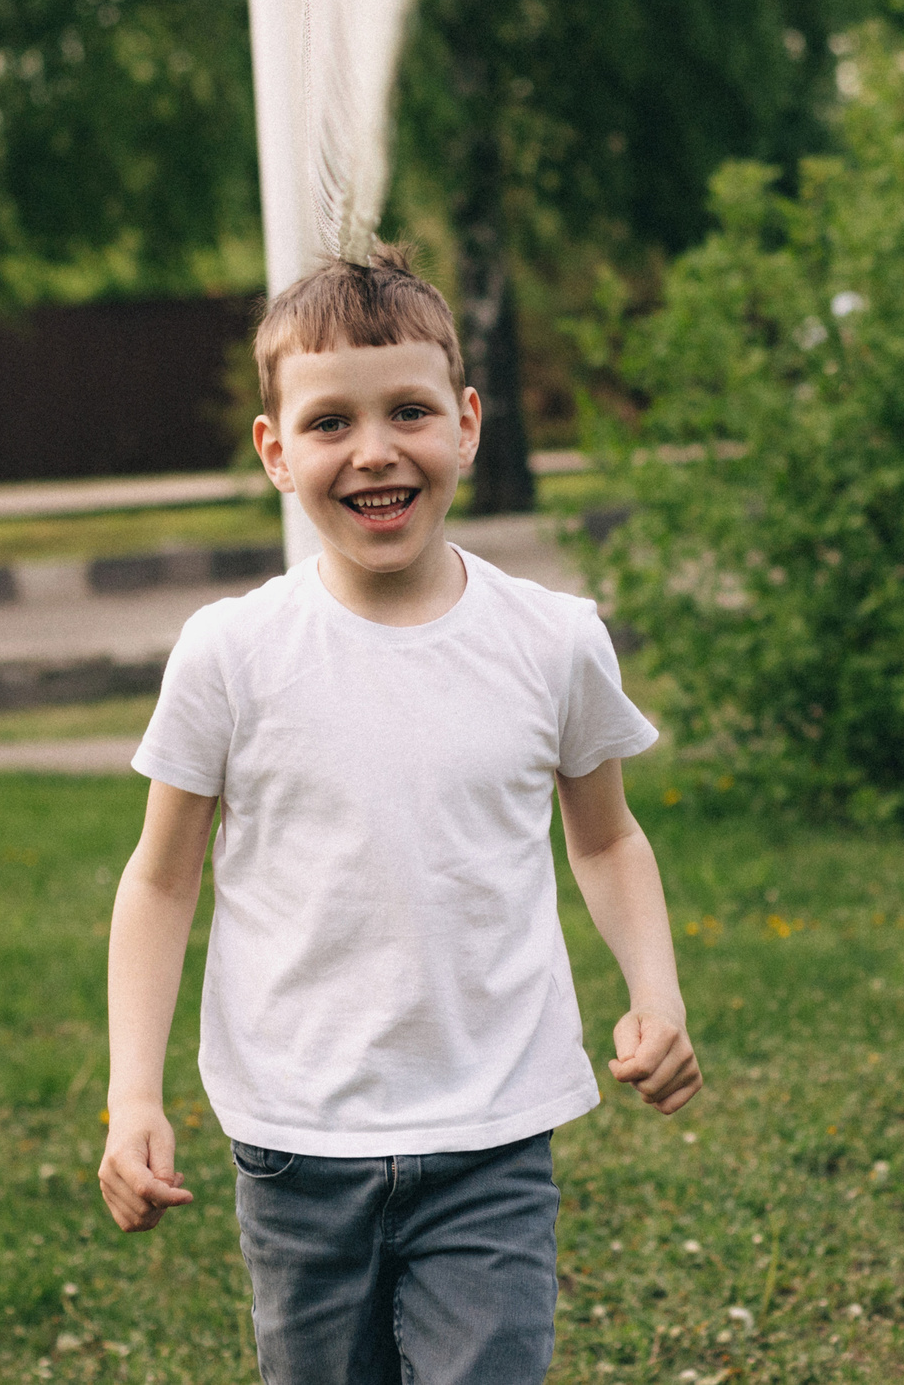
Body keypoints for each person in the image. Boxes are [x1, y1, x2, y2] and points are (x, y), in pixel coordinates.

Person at [97, 247, 701, 1384]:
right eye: (330, 422)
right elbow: (161, 879)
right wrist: (134, 1093)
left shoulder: (553, 641)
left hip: (491, 1136)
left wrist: (656, 994)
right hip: (297, 1144)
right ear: (276, 452)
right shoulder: (231, 654)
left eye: (409, 412)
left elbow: (608, 837)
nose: (374, 450)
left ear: (466, 425)